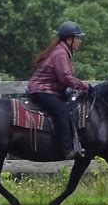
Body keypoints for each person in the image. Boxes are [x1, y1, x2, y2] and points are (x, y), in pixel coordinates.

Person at [27, 21, 91, 159]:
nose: (79, 41)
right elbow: (66, 78)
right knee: (62, 111)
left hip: (49, 90)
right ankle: (67, 149)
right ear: (69, 39)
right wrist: (85, 86)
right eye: (78, 38)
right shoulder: (61, 53)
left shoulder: (63, 51)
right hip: (42, 90)